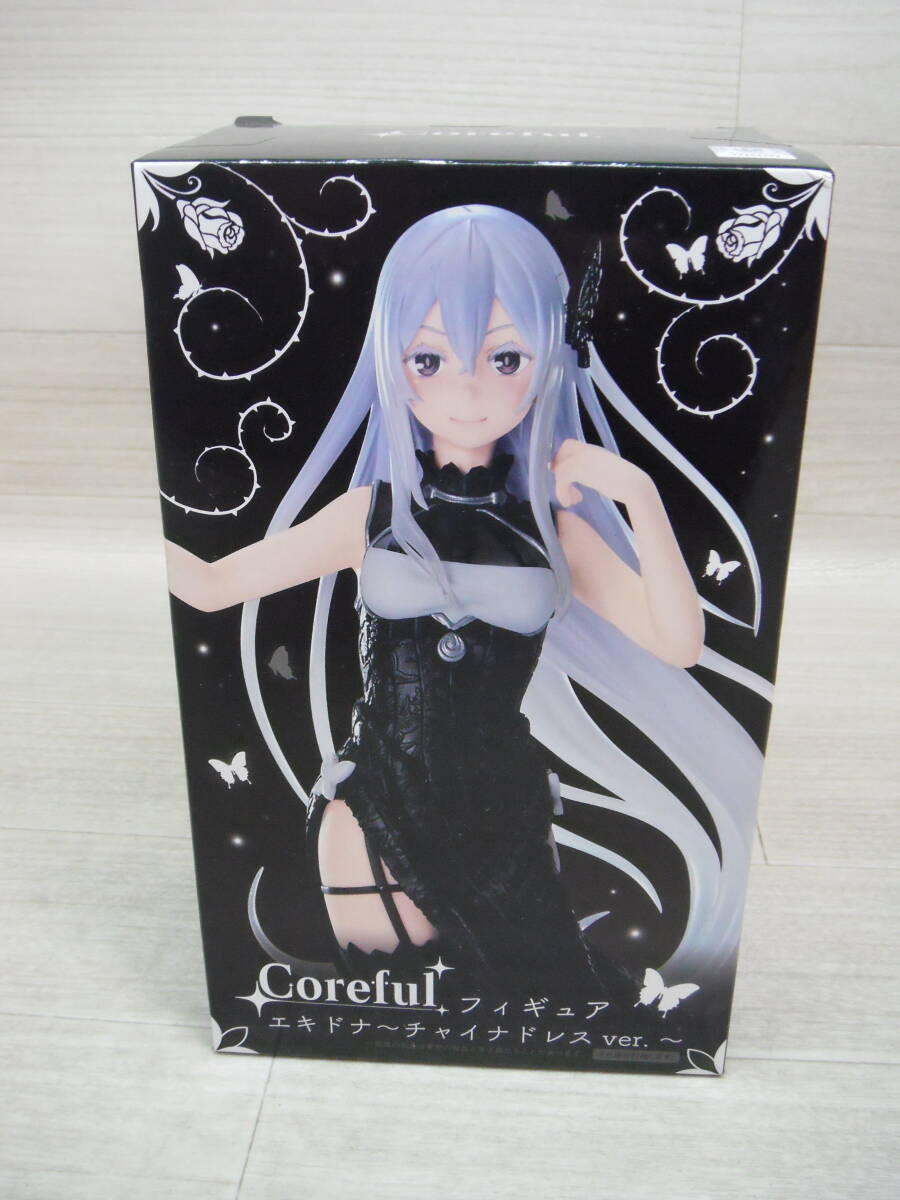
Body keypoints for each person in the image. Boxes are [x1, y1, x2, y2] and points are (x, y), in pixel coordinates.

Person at [165, 204, 764, 996]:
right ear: (392, 361)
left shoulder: (552, 528)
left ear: (550, 358)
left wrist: (637, 495)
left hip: (503, 810)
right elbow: (211, 586)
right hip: (377, 799)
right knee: (396, 992)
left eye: (506, 357)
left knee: (548, 989)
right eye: (429, 358)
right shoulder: (371, 514)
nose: (468, 389)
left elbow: (678, 643)